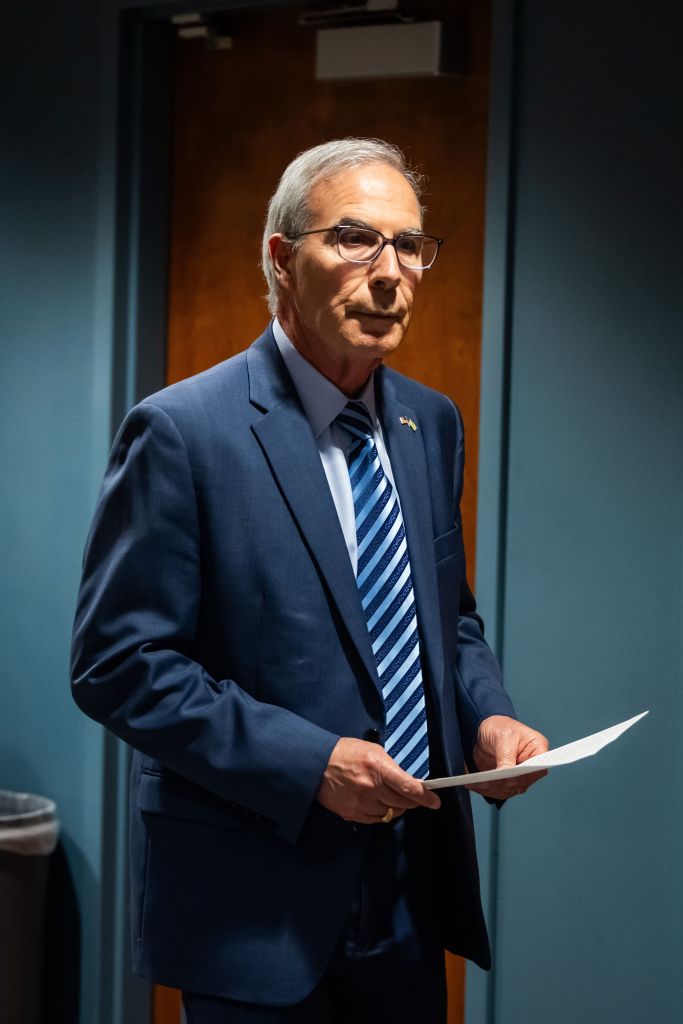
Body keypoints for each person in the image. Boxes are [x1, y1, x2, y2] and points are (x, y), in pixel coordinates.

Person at [71, 138, 547, 1024]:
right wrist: (310, 763)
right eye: (356, 239)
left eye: (409, 246)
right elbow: (119, 665)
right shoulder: (182, 432)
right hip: (253, 903)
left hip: (409, 885)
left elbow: (445, 621)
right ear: (282, 259)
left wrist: (486, 716)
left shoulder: (427, 423)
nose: (389, 272)